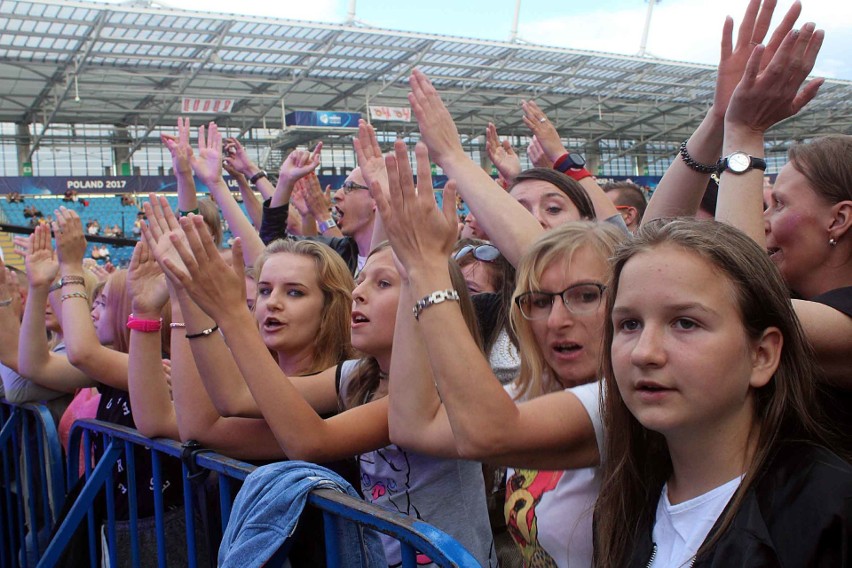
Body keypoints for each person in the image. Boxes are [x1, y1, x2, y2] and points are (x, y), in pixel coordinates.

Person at [370, 137, 625, 566]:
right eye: (540, 302)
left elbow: (485, 434)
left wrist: (431, 268)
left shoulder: (619, 401)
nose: (557, 319)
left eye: (584, 296)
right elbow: (412, 425)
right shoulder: (536, 392)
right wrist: (412, 271)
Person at [594, 218, 852, 566]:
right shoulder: (622, 504)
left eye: (685, 323)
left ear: (762, 355)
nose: (644, 352)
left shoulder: (827, 510)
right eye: (629, 324)